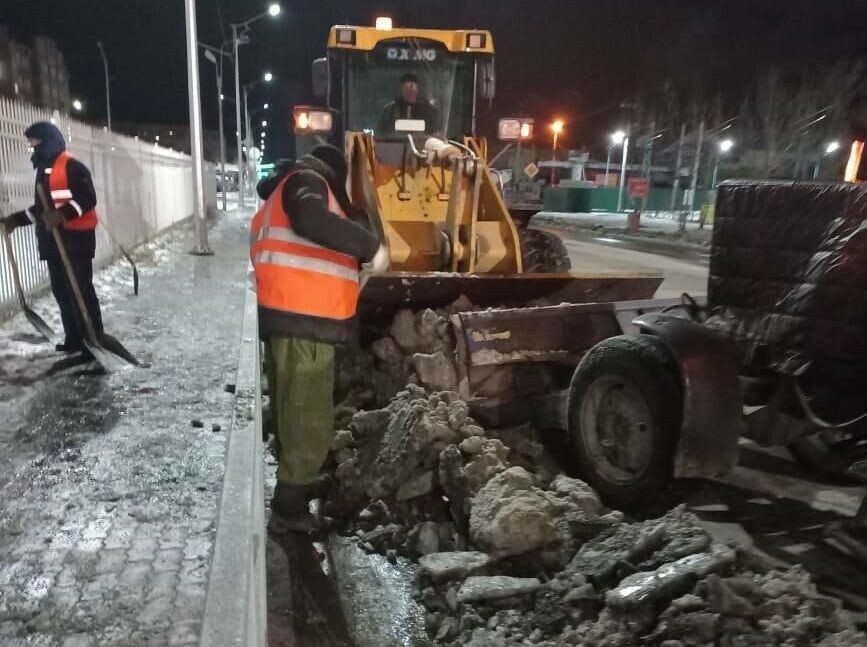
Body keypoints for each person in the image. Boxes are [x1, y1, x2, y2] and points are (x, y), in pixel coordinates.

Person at [251, 144, 388, 532]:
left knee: (290, 406)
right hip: (304, 318)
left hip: (290, 315)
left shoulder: (281, 190)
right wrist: (370, 246)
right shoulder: (307, 182)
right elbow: (311, 221)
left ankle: (298, 481)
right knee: (307, 412)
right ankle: (288, 509)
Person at [0, 122, 102, 356]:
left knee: (81, 291)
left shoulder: (72, 166)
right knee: (62, 291)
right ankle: (74, 339)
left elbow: (88, 198)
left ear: (46, 141)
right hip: (54, 242)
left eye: (34, 142)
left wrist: (63, 214)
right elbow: (42, 208)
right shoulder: (43, 170)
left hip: (75, 240)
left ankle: (93, 341)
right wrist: (15, 220)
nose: (31, 147)